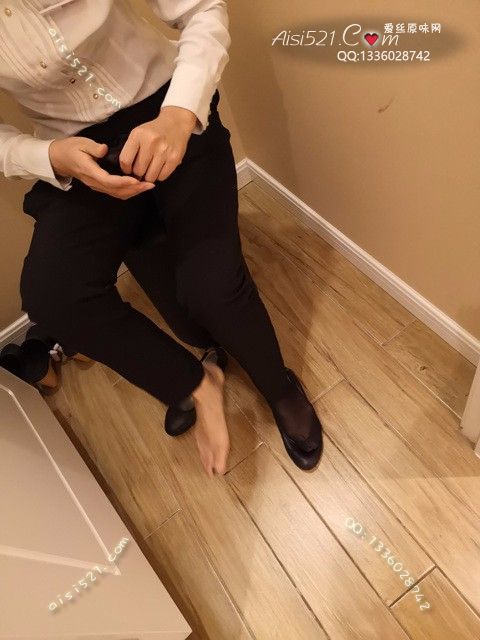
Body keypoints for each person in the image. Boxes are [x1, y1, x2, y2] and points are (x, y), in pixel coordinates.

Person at [0, 0, 323, 476]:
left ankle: (279, 386)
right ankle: (196, 382)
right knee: (54, 297)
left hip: (167, 107)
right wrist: (47, 156)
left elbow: (202, 9)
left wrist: (180, 112)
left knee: (211, 289)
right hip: (78, 153)